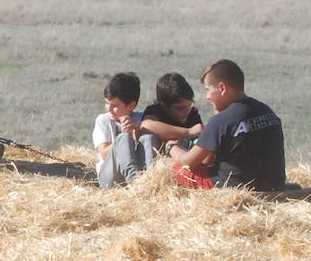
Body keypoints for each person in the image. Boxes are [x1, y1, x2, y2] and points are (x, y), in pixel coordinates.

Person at [168, 59, 285, 191]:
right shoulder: (266, 110)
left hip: (233, 189)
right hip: (274, 185)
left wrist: (172, 147)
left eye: (208, 90)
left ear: (222, 88)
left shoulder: (221, 121)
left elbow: (188, 162)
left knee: (174, 169)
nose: (207, 96)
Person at [139, 72, 204, 168]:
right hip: (158, 166)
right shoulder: (156, 110)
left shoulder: (192, 114)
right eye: (180, 108)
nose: (186, 111)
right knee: (148, 138)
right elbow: (146, 125)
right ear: (164, 105)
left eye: (189, 105)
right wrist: (188, 132)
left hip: (183, 163)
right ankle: (150, 173)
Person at [92, 72, 145, 189]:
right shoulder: (103, 121)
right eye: (106, 103)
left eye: (114, 105)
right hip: (110, 179)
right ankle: (136, 183)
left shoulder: (141, 118)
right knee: (124, 138)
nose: (108, 109)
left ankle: (146, 180)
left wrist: (136, 130)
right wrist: (124, 137)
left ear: (131, 105)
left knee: (148, 137)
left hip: (139, 170)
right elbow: (104, 153)